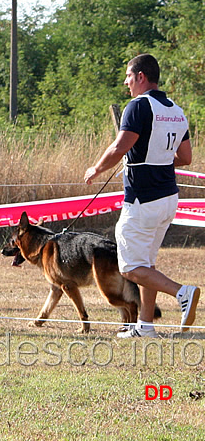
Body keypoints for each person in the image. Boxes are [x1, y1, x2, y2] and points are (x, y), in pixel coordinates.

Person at [84, 53, 200, 338]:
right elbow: (185, 157)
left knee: (130, 268)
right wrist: (157, 158)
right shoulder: (176, 109)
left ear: (141, 77)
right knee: (147, 264)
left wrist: (96, 169)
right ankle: (145, 326)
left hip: (141, 201)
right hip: (168, 199)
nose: (126, 82)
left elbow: (120, 146)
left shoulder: (138, 106)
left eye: (128, 76)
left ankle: (182, 293)